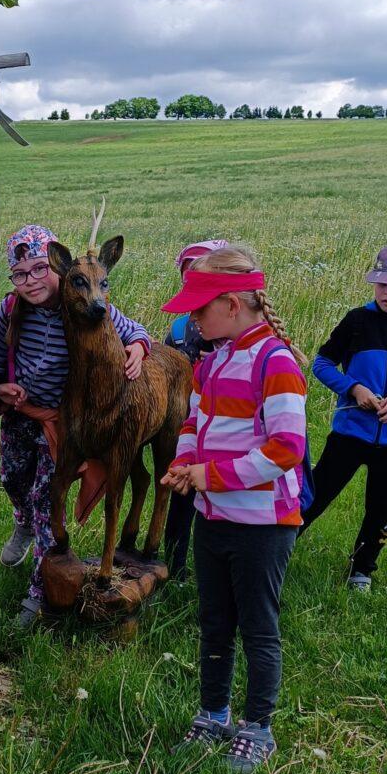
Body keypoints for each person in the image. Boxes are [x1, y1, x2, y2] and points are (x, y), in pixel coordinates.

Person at [160, 244, 307, 774]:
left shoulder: (277, 363)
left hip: (263, 525)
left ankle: (257, 726)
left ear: (232, 303)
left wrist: (211, 476)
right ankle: (212, 714)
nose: (192, 318)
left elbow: (286, 448)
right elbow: (192, 426)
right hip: (214, 518)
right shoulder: (212, 361)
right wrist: (184, 465)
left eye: (199, 308)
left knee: (258, 626)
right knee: (214, 621)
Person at [0, 223, 152, 629]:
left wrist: (138, 346)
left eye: (40, 269)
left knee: (49, 500)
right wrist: (0, 387)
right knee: (12, 479)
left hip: (61, 421)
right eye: (20, 273)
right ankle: (23, 522)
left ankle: (37, 597)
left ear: (57, 267)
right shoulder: (10, 310)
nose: (31, 281)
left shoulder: (79, 300)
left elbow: (130, 328)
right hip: (20, 414)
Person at [301, 243, 387, 590]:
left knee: (381, 509)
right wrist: (354, 388)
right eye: (382, 284)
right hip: (349, 433)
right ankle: (280, 547)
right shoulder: (356, 320)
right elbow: (322, 364)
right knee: (315, 494)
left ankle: (361, 569)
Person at [162, 239, 228, 581]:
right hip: (188, 424)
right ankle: (175, 564)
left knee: (218, 497)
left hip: (225, 431)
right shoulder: (178, 328)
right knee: (183, 497)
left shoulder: (234, 327)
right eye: (187, 278)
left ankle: (215, 566)